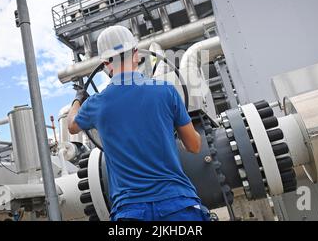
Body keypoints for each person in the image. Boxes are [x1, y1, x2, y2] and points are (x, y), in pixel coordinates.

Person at [67, 25, 210, 221]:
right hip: (177, 205)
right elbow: (194, 146)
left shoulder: (96, 104)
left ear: (106, 65)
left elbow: (72, 125)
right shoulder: (165, 91)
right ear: (136, 54)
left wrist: (78, 99)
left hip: (130, 212)